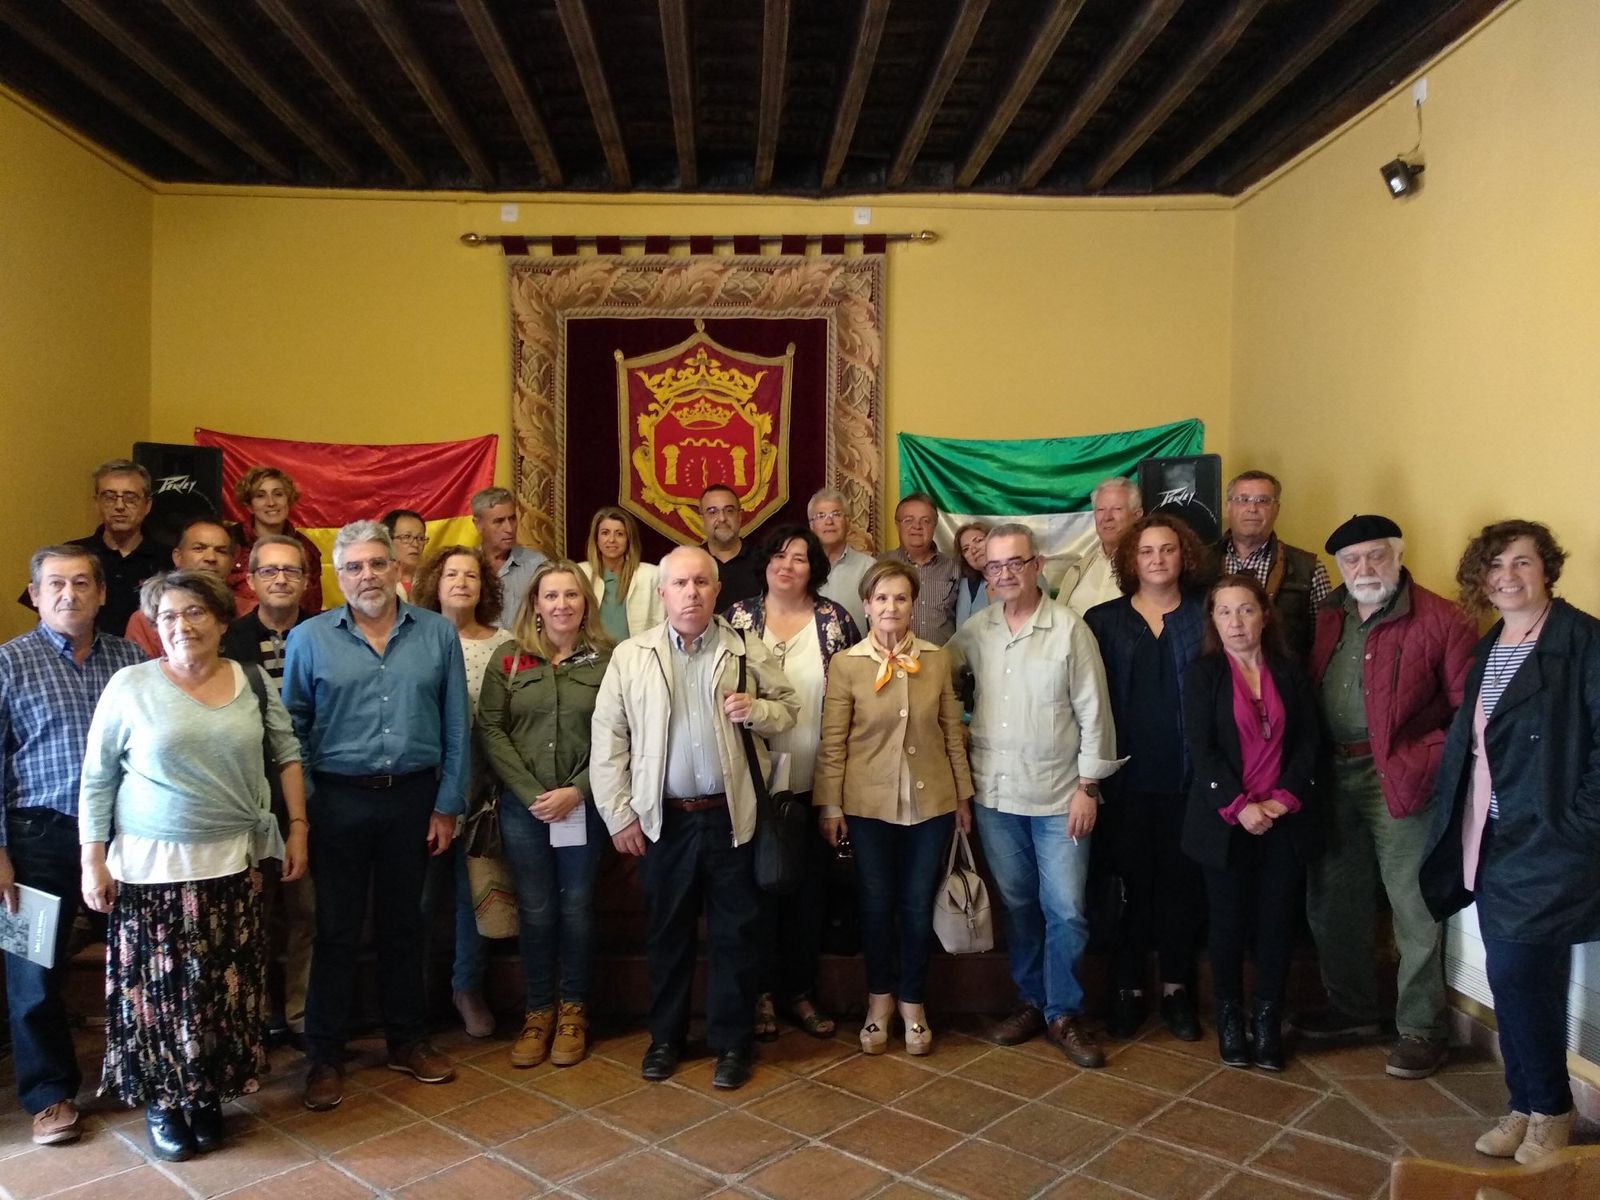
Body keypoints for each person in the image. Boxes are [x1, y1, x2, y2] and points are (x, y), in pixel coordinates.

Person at [79, 569, 307, 1161]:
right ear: (155, 627)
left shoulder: (251, 680)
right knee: (161, 991)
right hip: (150, 869)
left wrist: (297, 828)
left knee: (219, 987)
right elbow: (97, 777)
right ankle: (163, 1099)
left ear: (222, 620)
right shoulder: (129, 685)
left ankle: (206, 1093)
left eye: (195, 612)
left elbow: (286, 753)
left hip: (233, 862)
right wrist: (92, 859)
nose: (181, 625)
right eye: (168, 616)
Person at [1421, 521, 1600, 1165]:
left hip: (1549, 841)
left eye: (1522, 562)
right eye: (1495, 566)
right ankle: (1525, 1104)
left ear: (1547, 568)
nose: (1507, 577)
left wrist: (1575, 828)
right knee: (1513, 977)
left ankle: (1550, 1111)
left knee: (1522, 978)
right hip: (1492, 837)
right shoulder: (1490, 645)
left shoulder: (1583, 643)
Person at [591, 546, 798, 1090]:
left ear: (716, 591)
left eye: (701, 583)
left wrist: (757, 710)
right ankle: (665, 1039)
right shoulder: (631, 656)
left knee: (735, 936)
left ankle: (733, 1044)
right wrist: (619, 816)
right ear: (662, 593)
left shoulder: (745, 648)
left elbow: (788, 710)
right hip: (664, 822)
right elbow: (608, 740)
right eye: (680, 584)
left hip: (732, 819)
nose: (691, 593)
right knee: (667, 935)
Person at [282, 520, 469, 1112]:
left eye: (377, 563)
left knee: (405, 926)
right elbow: (293, 729)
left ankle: (407, 1041)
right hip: (336, 801)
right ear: (339, 577)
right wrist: (308, 807)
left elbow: (457, 725)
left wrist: (447, 804)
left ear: (396, 568)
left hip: (413, 800)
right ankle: (325, 1056)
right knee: (335, 930)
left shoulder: (437, 633)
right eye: (354, 567)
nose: (367, 575)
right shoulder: (310, 638)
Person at [1295, 516, 1475, 1080]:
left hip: (1401, 778)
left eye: (1375, 555)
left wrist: (1426, 757)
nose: (1364, 568)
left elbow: (1469, 710)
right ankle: (1353, 1010)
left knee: (1413, 905)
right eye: (1352, 560)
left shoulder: (1443, 618)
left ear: (1397, 556)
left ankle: (1422, 1029)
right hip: (1333, 775)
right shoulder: (1330, 615)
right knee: (1332, 899)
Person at [949, 524, 1118, 1068]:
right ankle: (1031, 1000)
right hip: (996, 796)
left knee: (1065, 910)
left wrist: (1088, 787)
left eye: (1014, 563)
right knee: (1020, 905)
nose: (1004, 574)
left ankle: (1063, 1012)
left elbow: (1095, 713)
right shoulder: (976, 631)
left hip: (1060, 797)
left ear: (1037, 565)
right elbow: (934, 676)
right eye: (994, 567)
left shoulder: (1070, 630)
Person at [0, 546, 143, 1147]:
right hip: (36, 839)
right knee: (31, 974)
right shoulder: (9, 663)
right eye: (55, 583)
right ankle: (49, 1094)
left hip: (123, 839)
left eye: (82, 582)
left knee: (140, 961)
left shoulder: (131, 660)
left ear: (102, 593)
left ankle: (144, 1072)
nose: (69, 594)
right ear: (35, 594)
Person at [815, 559, 973, 1056]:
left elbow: (952, 731)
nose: (891, 607)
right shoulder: (847, 665)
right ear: (866, 605)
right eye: (881, 598)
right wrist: (830, 805)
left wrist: (963, 797)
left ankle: (913, 1003)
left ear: (913, 605)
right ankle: (878, 1001)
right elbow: (833, 741)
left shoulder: (936, 659)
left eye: (900, 598)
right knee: (876, 905)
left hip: (932, 804)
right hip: (868, 805)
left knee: (917, 906)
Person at [1182, 574, 1322, 1071]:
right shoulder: (1203, 674)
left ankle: (1267, 1020)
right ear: (1213, 620)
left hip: (1283, 820)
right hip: (1226, 823)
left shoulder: (1289, 670)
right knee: (1227, 925)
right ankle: (1229, 1018)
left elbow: (1309, 742)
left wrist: (1281, 800)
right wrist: (1240, 806)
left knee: (1275, 925)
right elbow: (1202, 750)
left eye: (1246, 610)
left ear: (1264, 614)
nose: (1236, 621)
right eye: (1224, 612)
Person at [725, 525, 860, 1041]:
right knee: (754, 894)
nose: (787, 566)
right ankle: (760, 993)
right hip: (751, 785)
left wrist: (834, 796)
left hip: (813, 782)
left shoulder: (835, 621)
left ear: (814, 568)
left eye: (799, 558)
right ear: (764, 563)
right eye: (779, 556)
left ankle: (799, 993)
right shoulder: (738, 619)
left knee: (807, 897)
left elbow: (852, 707)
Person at [478, 560, 613, 1069]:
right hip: (524, 809)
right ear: (535, 604)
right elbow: (491, 728)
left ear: (585, 603)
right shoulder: (509, 659)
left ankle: (574, 1011)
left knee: (576, 906)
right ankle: (537, 1013)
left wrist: (576, 791)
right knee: (535, 909)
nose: (561, 605)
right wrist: (533, 792)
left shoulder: (609, 660)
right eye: (551, 596)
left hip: (585, 807)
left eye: (571, 595)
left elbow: (621, 733)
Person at [1085, 514, 1209, 1042]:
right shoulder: (1103, 620)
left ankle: (1177, 990)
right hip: (1125, 782)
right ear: (1131, 560)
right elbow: (1087, 701)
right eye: (1146, 551)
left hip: (1188, 780)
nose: (1158, 560)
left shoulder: (1205, 616)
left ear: (1185, 556)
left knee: (1182, 887)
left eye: (1168, 549)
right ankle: (1128, 987)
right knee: (1128, 886)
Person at [219, 533, 320, 1046]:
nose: (281, 579)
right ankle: (254, 1015)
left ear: (306, 580)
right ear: (251, 578)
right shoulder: (227, 639)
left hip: (311, 793)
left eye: (291, 570)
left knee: (306, 911)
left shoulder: (327, 633)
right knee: (251, 914)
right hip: (246, 796)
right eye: (269, 570)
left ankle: (301, 1013)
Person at [411, 544, 510, 1040]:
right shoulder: (413, 640)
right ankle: (415, 996)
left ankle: (466, 987)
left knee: (477, 897)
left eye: (472, 575)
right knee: (421, 899)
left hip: (486, 791)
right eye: (452, 574)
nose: (461, 583)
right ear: (435, 581)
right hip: (425, 792)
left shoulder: (505, 644)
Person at [16, 460, 170, 637]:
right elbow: (46, 617)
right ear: (97, 502)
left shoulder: (168, 560)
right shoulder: (71, 556)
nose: (119, 506)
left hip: (147, 653)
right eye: (109, 497)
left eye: (130, 498)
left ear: (147, 505)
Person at [1213, 470, 1332, 662]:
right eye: (1243, 500)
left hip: (1285, 678)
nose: (1252, 508)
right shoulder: (1200, 564)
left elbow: (1327, 642)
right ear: (1228, 507)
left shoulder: (1309, 569)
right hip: (1214, 676)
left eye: (1262, 500)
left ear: (1276, 509)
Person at [123, 516, 236, 658]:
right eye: (199, 548)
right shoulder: (147, 618)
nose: (211, 558)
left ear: (232, 562)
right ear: (178, 557)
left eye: (221, 551)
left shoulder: (249, 611)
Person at [228, 466, 323, 613]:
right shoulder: (228, 542)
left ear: (288, 500)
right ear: (249, 505)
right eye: (260, 496)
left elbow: (313, 607)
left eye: (278, 494)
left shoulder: (306, 549)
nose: (271, 502)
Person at [576, 506, 663, 643]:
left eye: (619, 534)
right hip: (591, 653)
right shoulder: (580, 573)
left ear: (629, 540)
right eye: (605, 533)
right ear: (596, 539)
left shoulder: (650, 575)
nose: (612, 540)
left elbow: (661, 623)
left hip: (637, 653)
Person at [1061, 477, 1144, 618]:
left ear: (1137, 515)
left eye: (1117, 509)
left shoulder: (1149, 568)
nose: (1107, 517)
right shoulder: (1077, 570)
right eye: (1100, 510)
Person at [885, 493, 960, 645]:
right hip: (892, 657)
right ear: (897, 525)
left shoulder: (954, 567)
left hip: (940, 656)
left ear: (935, 525)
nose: (917, 526)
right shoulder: (880, 565)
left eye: (925, 521)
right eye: (908, 520)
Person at [471, 487, 547, 626]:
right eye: (499, 521)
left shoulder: (537, 564)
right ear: (478, 524)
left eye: (512, 519)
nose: (509, 528)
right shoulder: (466, 566)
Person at [808, 487, 875, 633]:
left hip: (856, 647)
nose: (829, 521)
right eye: (821, 515)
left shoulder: (868, 567)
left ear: (848, 522)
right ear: (811, 525)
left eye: (836, 514)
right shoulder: (801, 566)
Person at [699, 484, 762, 613]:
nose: (722, 518)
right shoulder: (691, 563)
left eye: (729, 511)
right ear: (703, 519)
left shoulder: (764, 560)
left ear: (739, 517)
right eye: (712, 512)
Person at [953, 520, 994, 629]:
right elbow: (961, 634)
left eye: (978, 541)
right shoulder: (967, 586)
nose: (974, 550)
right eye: (966, 549)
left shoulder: (1020, 576)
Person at [382, 508, 429, 601]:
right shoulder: (376, 584)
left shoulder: (432, 586)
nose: (416, 544)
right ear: (388, 541)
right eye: (406, 537)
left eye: (420, 538)